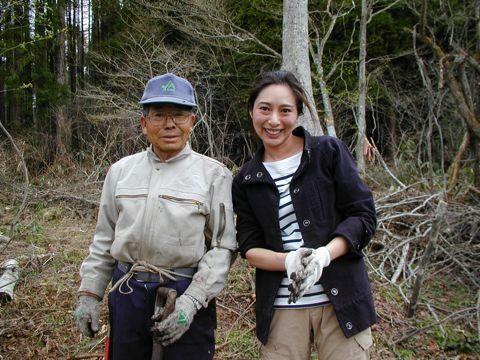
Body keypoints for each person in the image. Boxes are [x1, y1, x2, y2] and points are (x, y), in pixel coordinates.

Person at [74, 73, 236, 360]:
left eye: (179, 115)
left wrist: (191, 302)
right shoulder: (121, 172)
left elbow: (223, 247)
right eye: (159, 115)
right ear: (144, 123)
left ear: (193, 122)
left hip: (184, 293)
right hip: (128, 293)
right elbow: (103, 239)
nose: (170, 124)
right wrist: (89, 294)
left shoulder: (214, 175)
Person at [232, 70, 377, 360]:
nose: (274, 120)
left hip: (342, 304)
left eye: (285, 110)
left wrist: (324, 255)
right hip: (281, 310)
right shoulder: (245, 179)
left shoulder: (327, 152)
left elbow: (363, 216)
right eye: (264, 109)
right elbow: (249, 246)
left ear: (298, 114)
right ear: (251, 113)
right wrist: (288, 260)